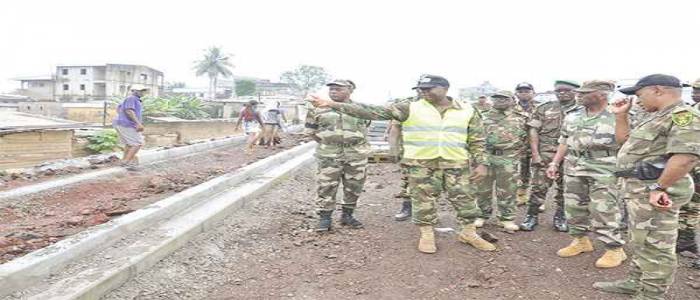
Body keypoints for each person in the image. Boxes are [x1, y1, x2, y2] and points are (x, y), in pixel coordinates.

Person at [308, 74, 496, 254]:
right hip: (421, 163)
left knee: (465, 199)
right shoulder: (410, 107)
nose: (424, 92)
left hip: (455, 163)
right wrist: (332, 104)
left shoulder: (467, 109)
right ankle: (427, 234)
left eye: (429, 89)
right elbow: (373, 111)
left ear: (445, 89)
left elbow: (477, 139)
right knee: (423, 200)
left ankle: (469, 233)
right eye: (422, 89)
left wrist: (481, 163)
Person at [593, 74, 700, 299]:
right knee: (640, 240)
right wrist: (621, 116)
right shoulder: (655, 116)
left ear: (658, 90)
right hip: (639, 191)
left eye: (640, 94)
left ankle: (651, 295)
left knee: (656, 247)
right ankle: (635, 282)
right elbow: (625, 142)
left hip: (656, 192)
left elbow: (685, 157)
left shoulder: (683, 115)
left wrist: (660, 188)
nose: (638, 100)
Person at [546, 80, 626, 268]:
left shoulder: (619, 115)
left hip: (605, 167)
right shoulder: (573, 115)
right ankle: (581, 240)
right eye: (579, 92)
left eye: (584, 93)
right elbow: (564, 140)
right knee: (574, 206)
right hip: (574, 165)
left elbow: (628, 142)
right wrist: (555, 162)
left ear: (602, 94)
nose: (579, 95)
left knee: (603, 209)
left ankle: (614, 249)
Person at [304, 79, 368, 232]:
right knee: (326, 186)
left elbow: (366, 126)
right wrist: (329, 142)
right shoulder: (317, 108)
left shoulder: (360, 108)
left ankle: (347, 215)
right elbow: (311, 131)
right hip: (329, 154)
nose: (333, 91)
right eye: (331, 89)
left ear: (350, 90)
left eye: (338, 89)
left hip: (356, 154)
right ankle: (325, 218)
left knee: (354, 185)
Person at [520, 80, 580, 232]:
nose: (562, 93)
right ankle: (531, 216)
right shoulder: (545, 108)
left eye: (567, 90)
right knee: (539, 186)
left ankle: (561, 216)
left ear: (576, 91)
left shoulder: (582, 109)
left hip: (572, 155)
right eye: (558, 90)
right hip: (546, 153)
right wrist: (535, 154)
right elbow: (533, 131)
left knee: (565, 188)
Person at [474, 90, 528, 231]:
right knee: (482, 189)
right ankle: (481, 215)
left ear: (512, 100)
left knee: (508, 190)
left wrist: (519, 153)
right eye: (497, 98)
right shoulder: (481, 116)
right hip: (485, 157)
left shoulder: (522, 118)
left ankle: (506, 218)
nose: (500, 101)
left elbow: (527, 138)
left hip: (508, 158)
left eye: (504, 99)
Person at [386, 91, 421, 222]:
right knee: (408, 179)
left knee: (432, 182)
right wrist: (393, 148)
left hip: (434, 151)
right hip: (410, 151)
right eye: (420, 88)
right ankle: (407, 208)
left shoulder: (440, 105)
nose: (423, 91)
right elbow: (395, 127)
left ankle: (428, 211)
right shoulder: (408, 105)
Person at [677, 78, 700, 269]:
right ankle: (686, 241)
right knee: (690, 206)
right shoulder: (692, 109)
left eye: (699, 90)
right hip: (692, 168)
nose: (695, 93)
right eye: (694, 89)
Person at [514, 82, 540, 206]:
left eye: (527, 91)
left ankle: (538, 198)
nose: (524, 93)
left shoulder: (542, 108)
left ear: (533, 93)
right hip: (519, 146)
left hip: (538, 145)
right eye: (521, 91)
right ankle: (522, 195)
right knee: (521, 171)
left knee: (539, 173)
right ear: (516, 94)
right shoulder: (511, 108)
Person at [113, 84, 148, 171]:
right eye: (140, 90)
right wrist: (138, 123)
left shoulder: (133, 99)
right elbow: (129, 111)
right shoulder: (131, 98)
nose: (142, 92)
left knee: (129, 144)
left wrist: (121, 117)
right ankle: (127, 163)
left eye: (143, 90)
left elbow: (118, 109)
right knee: (137, 143)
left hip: (123, 123)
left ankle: (124, 161)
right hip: (127, 124)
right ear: (134, 91)